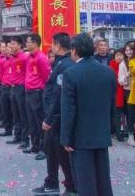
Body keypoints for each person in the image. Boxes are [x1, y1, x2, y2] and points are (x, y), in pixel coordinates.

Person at [61, 33, 116, 196]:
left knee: (85, 181)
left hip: (80, 135)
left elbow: (69, 109)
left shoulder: (71, 74)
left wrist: (66, 137)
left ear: (75, 50)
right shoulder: (107, 72)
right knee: (103, 178)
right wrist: (110, 128)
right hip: (101, 132)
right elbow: (111, 105)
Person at [34, 33, 76, 195]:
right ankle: (51, 183)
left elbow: (59, 95)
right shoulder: (60, 63)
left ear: (58, 45)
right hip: (52, 116)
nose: (51, 47)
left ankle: (71, 186)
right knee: (51, 151)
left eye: (52, 44)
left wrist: (50, 119)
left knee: (62, 154)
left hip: (57, 119)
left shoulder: (65, 65)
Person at [24, 34, 50, 158]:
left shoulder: (41, 58)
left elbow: (46, 77)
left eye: (28, 42)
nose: (26, 44)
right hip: (29, 92)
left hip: (37, 92)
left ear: (35, 43)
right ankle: (34, 145)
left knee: (40, 121)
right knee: (31, 121)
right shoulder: (29, 57)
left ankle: (43, 148)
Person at [118, 41, 135, 147]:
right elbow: (120, 81)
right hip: (129, 90)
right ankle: (131, 136)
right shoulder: (123, 63)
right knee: (131, 113)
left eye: (130, 49)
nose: (128, 52)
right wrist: (128, 76)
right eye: (126, 50)